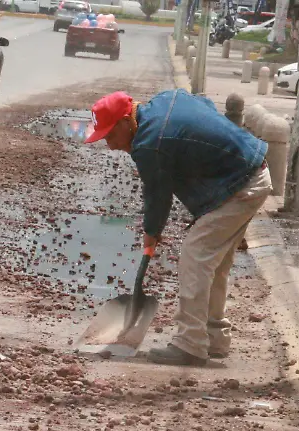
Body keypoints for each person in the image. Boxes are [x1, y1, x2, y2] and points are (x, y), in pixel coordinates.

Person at [85, 89, 271, 367]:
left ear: (127, 121)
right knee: (215, 264)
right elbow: (204, 103)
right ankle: (214, 338)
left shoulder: (150, 144)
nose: (110, 145)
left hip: (241, 184)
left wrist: (151, 232)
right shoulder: (165, 100)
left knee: (195, 257)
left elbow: (158, 194)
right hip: (250, 172)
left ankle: (191, 344)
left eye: (111, 135)